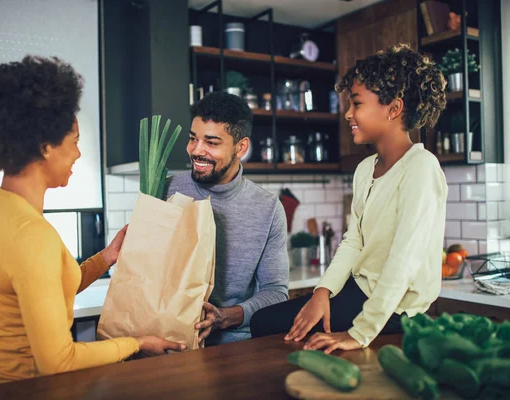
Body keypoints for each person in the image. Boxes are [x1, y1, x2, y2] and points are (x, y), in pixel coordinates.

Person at [0, 56, 184, 388]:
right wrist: (137, 343)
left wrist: (106, 257)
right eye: (75, 141)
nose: (79, 154)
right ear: (46, 146)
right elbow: (59, 362)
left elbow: (46, 286)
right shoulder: (31, 235)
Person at [250, 43, 448, 353]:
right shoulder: (365, 169)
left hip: (395, 310)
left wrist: (360, 333)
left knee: (266, 326)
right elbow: (353, 242)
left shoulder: (421, 168)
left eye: (356, 104)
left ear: (394, 109)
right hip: (358, 291)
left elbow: (404, 261)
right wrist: (322, 292)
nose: (348, 113)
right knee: (264, 322)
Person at [164, 92, 289, 346]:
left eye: (211, 142)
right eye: (192, 139)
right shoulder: (166, 191)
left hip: (233, 345)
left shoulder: (268, 208)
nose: (197, 151)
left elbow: (275, 292)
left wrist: (225, 317)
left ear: (240, 147)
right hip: (166, 339)